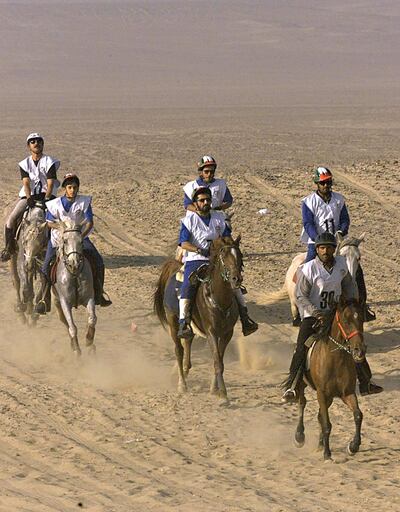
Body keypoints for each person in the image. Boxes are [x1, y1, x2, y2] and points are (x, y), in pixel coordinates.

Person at [281, 232, 383, 403]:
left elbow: (349, 285)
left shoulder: (342, 265)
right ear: (317, 250)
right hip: (313, 315)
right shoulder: (308, 269)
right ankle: (292, 385)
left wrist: (352, 303)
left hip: (336, 313)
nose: (325, 251)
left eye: (329, 247)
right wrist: (315, 313)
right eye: (322, 248)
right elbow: (300, 296)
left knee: (355, 340)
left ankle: (366, 382)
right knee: (301, 347)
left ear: (334, 249)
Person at [177, 186, 258, 339]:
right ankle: (184, 322)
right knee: (188, 286)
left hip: (218, 258)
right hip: (196, 259)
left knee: (234, 283)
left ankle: (245, 318)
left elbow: (227, 237)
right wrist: (199, 250)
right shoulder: (189, 220)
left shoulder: (219, 217)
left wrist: (229, 246)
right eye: (202, 200)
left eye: (208, 199)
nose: (206, 202)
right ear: (195, 203)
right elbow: (183, 243)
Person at [300, 166, 375, 322]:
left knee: (355, 271)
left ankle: (362, 305)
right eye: (323, 183)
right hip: (317, 243)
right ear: (317, 184)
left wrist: (341, 231)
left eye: (328, 182)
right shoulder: (308, 202)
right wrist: (319, 239)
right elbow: (307, 223)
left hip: (338, 242)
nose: (326, 185)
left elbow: (345, 219)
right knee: (306, 270)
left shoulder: (339, 199)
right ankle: (301, 308)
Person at [34, 173, 112, 314]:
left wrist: (79, 236)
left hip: (80, 238)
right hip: (58, 239)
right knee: (46, 266)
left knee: (99, 261)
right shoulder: (54, 204)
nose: (73, 190)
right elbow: (49, 223)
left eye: (75, 187)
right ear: (65, 188)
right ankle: (44, 299)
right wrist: (60, 227)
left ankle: (99, 293)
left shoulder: (84, 202)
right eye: (70, 187)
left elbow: (89, 222)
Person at [1, 133, 60, 262]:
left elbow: (50, 183)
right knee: (11, 219)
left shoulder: (50, 161)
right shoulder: (24, 163)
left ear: (42, 144)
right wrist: (28, 198)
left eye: (38, 141)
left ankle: (58, 248)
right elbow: (26, 183)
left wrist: (47, 199)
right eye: (32, 141)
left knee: (58, 221)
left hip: (48, 196)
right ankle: (8, 248)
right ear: (29, 146)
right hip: (29, 197)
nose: (36, 143)